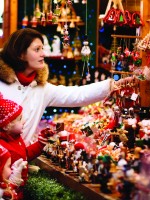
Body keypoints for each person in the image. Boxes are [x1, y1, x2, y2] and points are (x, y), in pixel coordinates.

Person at [0, 28, 132, 146]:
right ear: (20, 54)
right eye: (37, 49)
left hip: (19, 165)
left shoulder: (42, 89)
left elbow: (77, 95)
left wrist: (111, 85)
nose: (43, 54)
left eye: (42, 48)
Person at [0, 93, 56, 198]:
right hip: (11, 191)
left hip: (18, 188)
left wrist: (41, 143)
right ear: (7, 126)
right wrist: (12, 184)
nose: (24, 121)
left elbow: (25, 155)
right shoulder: (3, 149)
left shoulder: (16, 138)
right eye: (20, 119)